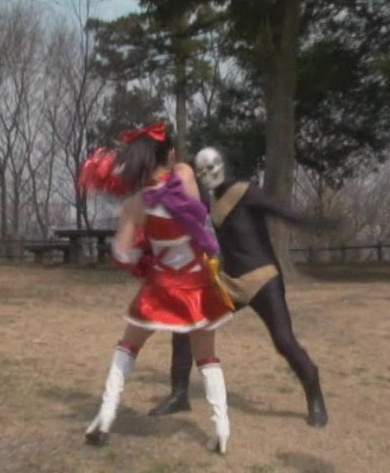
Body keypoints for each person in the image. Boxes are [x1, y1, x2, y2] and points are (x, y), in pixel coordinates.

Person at [146, 146, 330, 428]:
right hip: (231, 283)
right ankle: (179, 394)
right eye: (201, 171)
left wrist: (317, 224)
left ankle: (314, 393)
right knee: (185, 323)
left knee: (284, 340)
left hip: (264, 280)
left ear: (223, 165)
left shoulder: (246, 191)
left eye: (211, 167)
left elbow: (282, 212)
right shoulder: (212, 201)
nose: (207, 175)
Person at [79, 123, 234, 453]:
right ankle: (221, 428)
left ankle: (105, 414)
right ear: (171, 154)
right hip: (197, 284)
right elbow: (198, 215)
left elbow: (122, 254)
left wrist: (142, 253)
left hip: (160, 287)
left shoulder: (135, 204)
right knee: (207, 357)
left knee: (127, 346)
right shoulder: (185, 175)